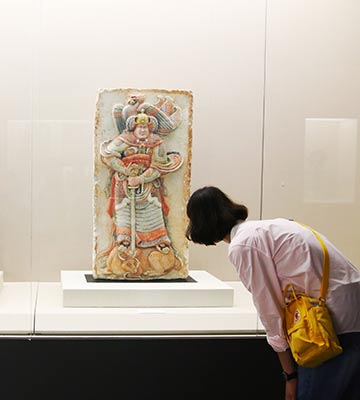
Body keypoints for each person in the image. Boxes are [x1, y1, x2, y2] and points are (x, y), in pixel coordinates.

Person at [186, 186, 360, 400]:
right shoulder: (267, 228)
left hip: (333, 323)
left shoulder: (243, 244)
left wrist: (290, 376)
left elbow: (269, 310)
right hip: (350, 309)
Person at [99, 110, 184, 277]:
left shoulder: (157, 142)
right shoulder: (123, 140)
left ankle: (160, 245)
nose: (143, 130)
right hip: (124, 182)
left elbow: (160, 166)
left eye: (146, 127)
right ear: (134, 127)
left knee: (152, 213)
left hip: (148, 185)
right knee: (124, 213)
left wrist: (141, 178)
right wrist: (125, 170)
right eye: (140, 126)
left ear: (150, 128)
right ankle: (124, 243)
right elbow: (108, 156)